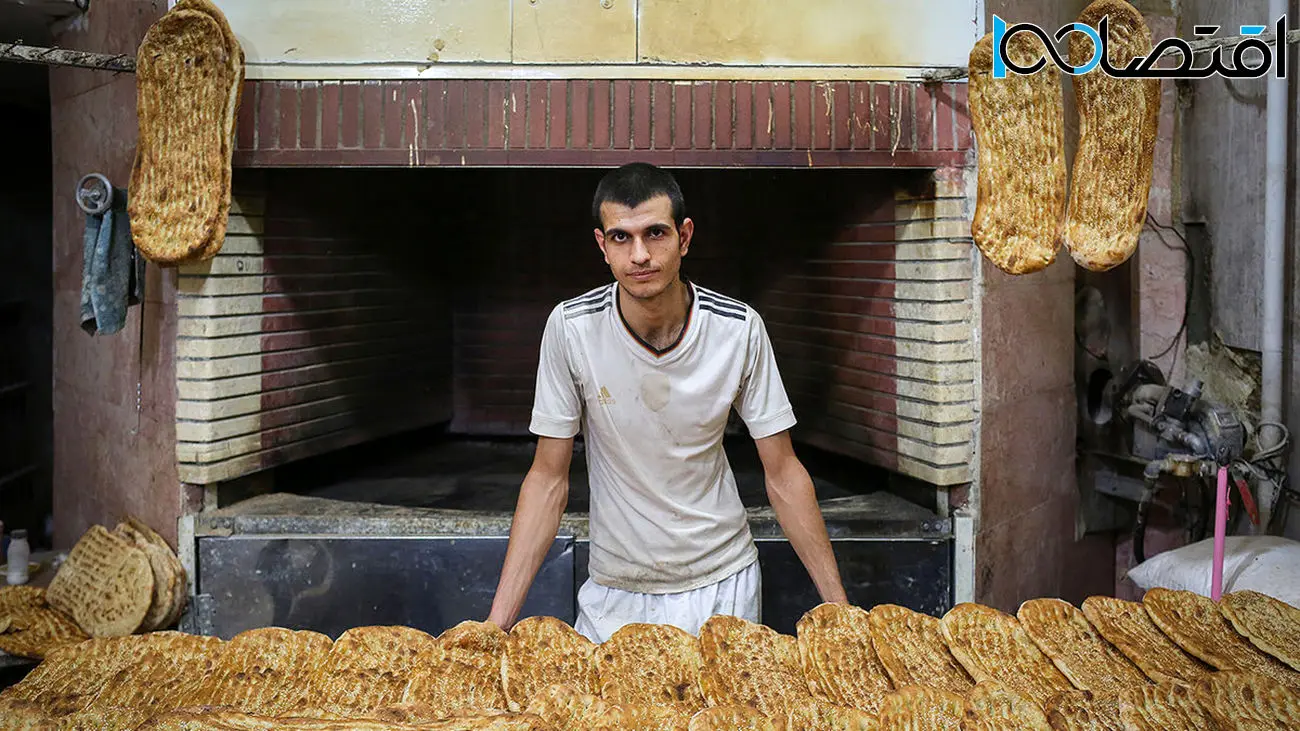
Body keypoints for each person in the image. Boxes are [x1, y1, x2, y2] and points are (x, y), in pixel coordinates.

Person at [486, 162, 847, 642]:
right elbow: (548, 480)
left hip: (723, 585)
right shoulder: (572, 328)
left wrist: (842, 613)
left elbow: (782, 472)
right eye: (621, 238)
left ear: (685, 236)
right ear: (602, 245)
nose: (640, 254)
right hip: (616, 590)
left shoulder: (737, 329)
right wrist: (495, 626)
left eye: (655, 233)